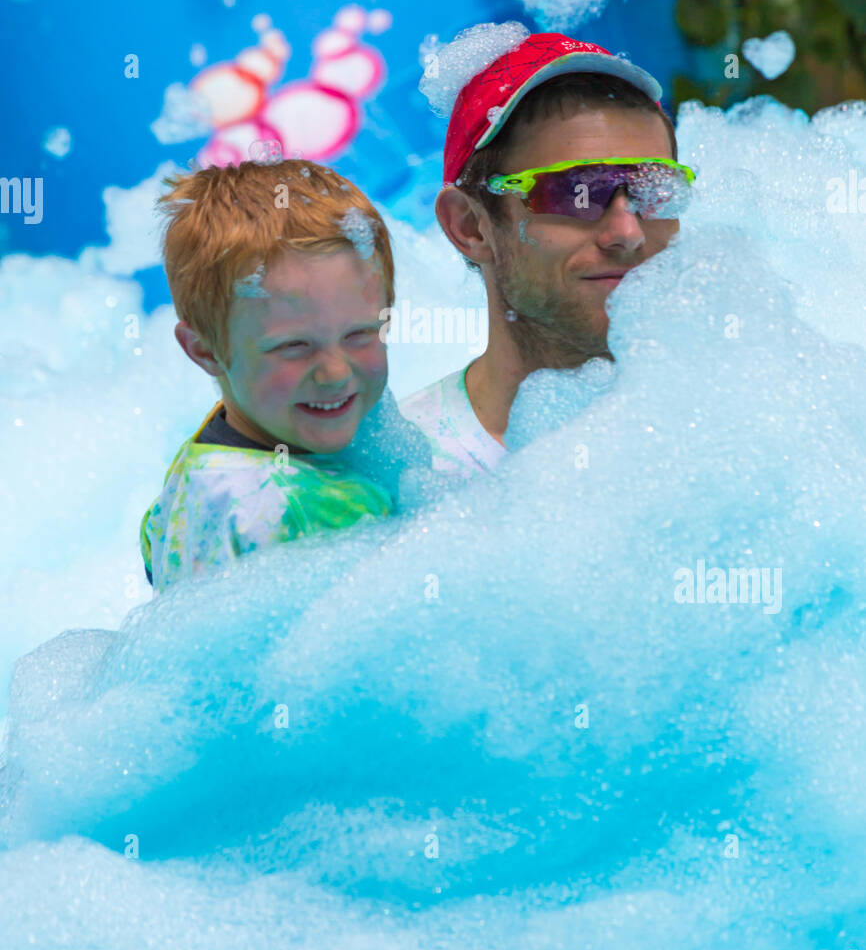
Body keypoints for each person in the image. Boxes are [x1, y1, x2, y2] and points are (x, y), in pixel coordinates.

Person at [399, 30, 694, 478]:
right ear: (470, 227)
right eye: (578, 191)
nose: (627, 232)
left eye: (655, 191)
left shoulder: (747, 424)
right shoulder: (400, 475)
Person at [140, 158, 397, 593]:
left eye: (360, 334)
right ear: (205, 351)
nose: (336, 373)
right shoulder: (294, 518)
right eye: (294, 347)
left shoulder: (207, 458)